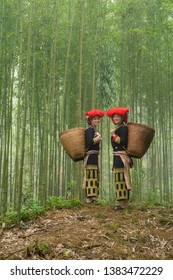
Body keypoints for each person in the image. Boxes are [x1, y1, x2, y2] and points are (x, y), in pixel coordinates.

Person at [106, 107, 133, 210]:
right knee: (119, 177)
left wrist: (113, 135)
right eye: (114, 116)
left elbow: (123, 142)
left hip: (122, 156)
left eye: (118, 116)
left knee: (123, 177)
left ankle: (124, 203)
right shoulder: (118, 128)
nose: (116, 118)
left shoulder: (123, 128)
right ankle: (122, 201)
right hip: (117, 156)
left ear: (122, 118)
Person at [82, 109, 104, 204]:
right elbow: (89, 142)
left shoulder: (93, 129)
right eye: (94, 119)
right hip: (90, 156)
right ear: (90, 120)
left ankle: (92, 198)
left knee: (94, 175)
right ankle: (89, 199)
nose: (97, 121)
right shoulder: (90, 129)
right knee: (90, 175)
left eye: (98, 119)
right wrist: (98, 139)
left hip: (94, 156)